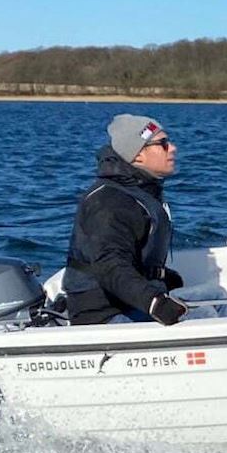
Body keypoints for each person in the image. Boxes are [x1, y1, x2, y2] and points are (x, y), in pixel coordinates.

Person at [64, 113, 189, 325]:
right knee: (209, 314)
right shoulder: (109, 202)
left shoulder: (138, 193)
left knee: (217, 297)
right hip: (106, 314)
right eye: (164, 144)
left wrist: (163, 277)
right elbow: (110, 265)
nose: (173, 148)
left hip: (131, 304)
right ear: (138, 155)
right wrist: (154, 303)